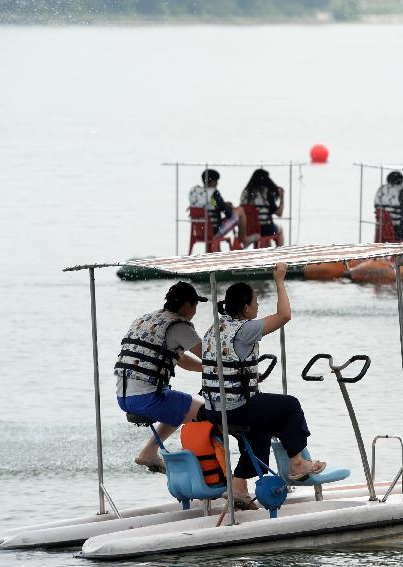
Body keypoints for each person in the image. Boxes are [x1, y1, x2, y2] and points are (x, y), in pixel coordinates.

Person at [202, 264, 325, 510]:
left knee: (261, 428)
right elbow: (284, 316)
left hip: (214, 409)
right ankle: (297, 464)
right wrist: (279, 280)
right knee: (290, 405)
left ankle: (238, 488)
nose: (258, 307)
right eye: (256, 302)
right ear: (245, 307)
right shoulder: (245, 329)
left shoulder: (215, 328)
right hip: (237, 407)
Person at [114, 282, 207, 473]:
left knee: (181, 405)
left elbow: (183, 361)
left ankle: (149, 452)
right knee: (208, 413)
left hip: (124, 398)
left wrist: (208, 370)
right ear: (188, 305)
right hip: (148, 399)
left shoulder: (148, 320)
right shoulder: (179, 327)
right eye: (196, 306)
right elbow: (212, 358)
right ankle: (203, 471)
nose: (195, 311)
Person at [188, 169, 248, 245]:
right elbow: (228, 213)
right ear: (213, 181)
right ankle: (242, 240)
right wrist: (227, 206)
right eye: (216, 181)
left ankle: (213, 250)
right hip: (214, 231)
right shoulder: (213, 193)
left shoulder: (194, 191)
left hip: (199, 231)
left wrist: (223, 204)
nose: (217, 183)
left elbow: (210, 204)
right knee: (240, 210)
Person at [239, 168, 285, 246]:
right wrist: (282, 198)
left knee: (266, 236)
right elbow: (279, 213)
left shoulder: (245, 193)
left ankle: (261, 251)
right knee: (280, 229)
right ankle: (279, 253)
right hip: (265, 229)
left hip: (249, 229)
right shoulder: (266, 192)